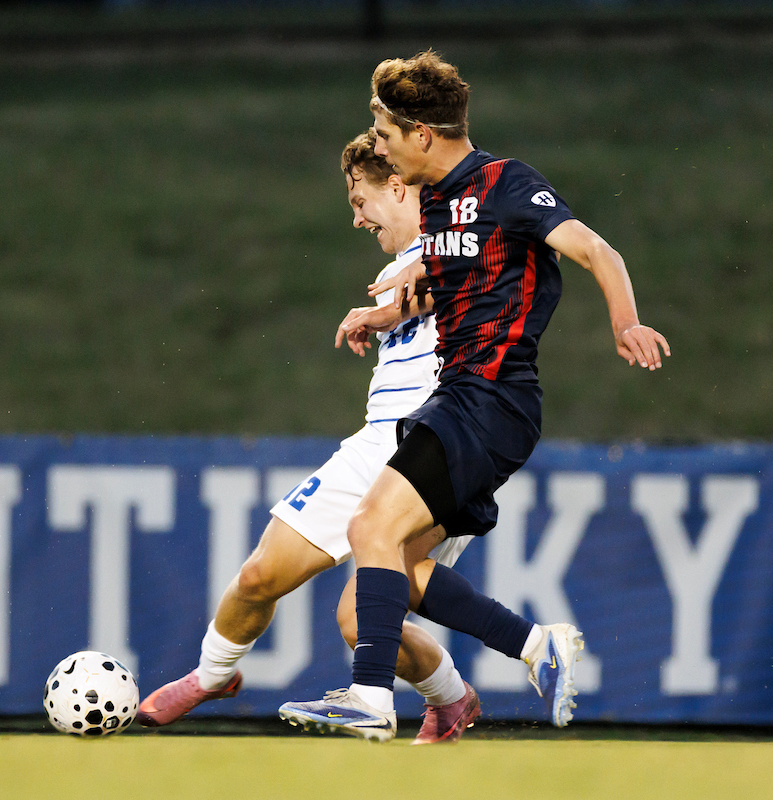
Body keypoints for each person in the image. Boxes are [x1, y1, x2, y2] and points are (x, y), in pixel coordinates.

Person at [278, 51, 670, 743]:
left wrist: (625, 322)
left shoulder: (506, 183)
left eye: (385, 133)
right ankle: (536, 647)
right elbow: (458, 273)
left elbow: (596, 250)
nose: (379, 147)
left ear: (422, 134)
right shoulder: (437, 199)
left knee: (369, 526)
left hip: (490, 396)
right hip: (467, 399)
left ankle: (370, 700)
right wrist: (387, 312)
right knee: (395, 566)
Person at [139, 132, 571, 744]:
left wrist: (389, 308)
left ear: (397, 185)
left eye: (359, 199)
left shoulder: (462, 236)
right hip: (380, 442)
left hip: (441, 436)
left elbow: (477, 270)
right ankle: (215, 675)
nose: (357, 217)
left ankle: (470, 675)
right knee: (268, 580)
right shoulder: (401, 266)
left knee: (365, 610)